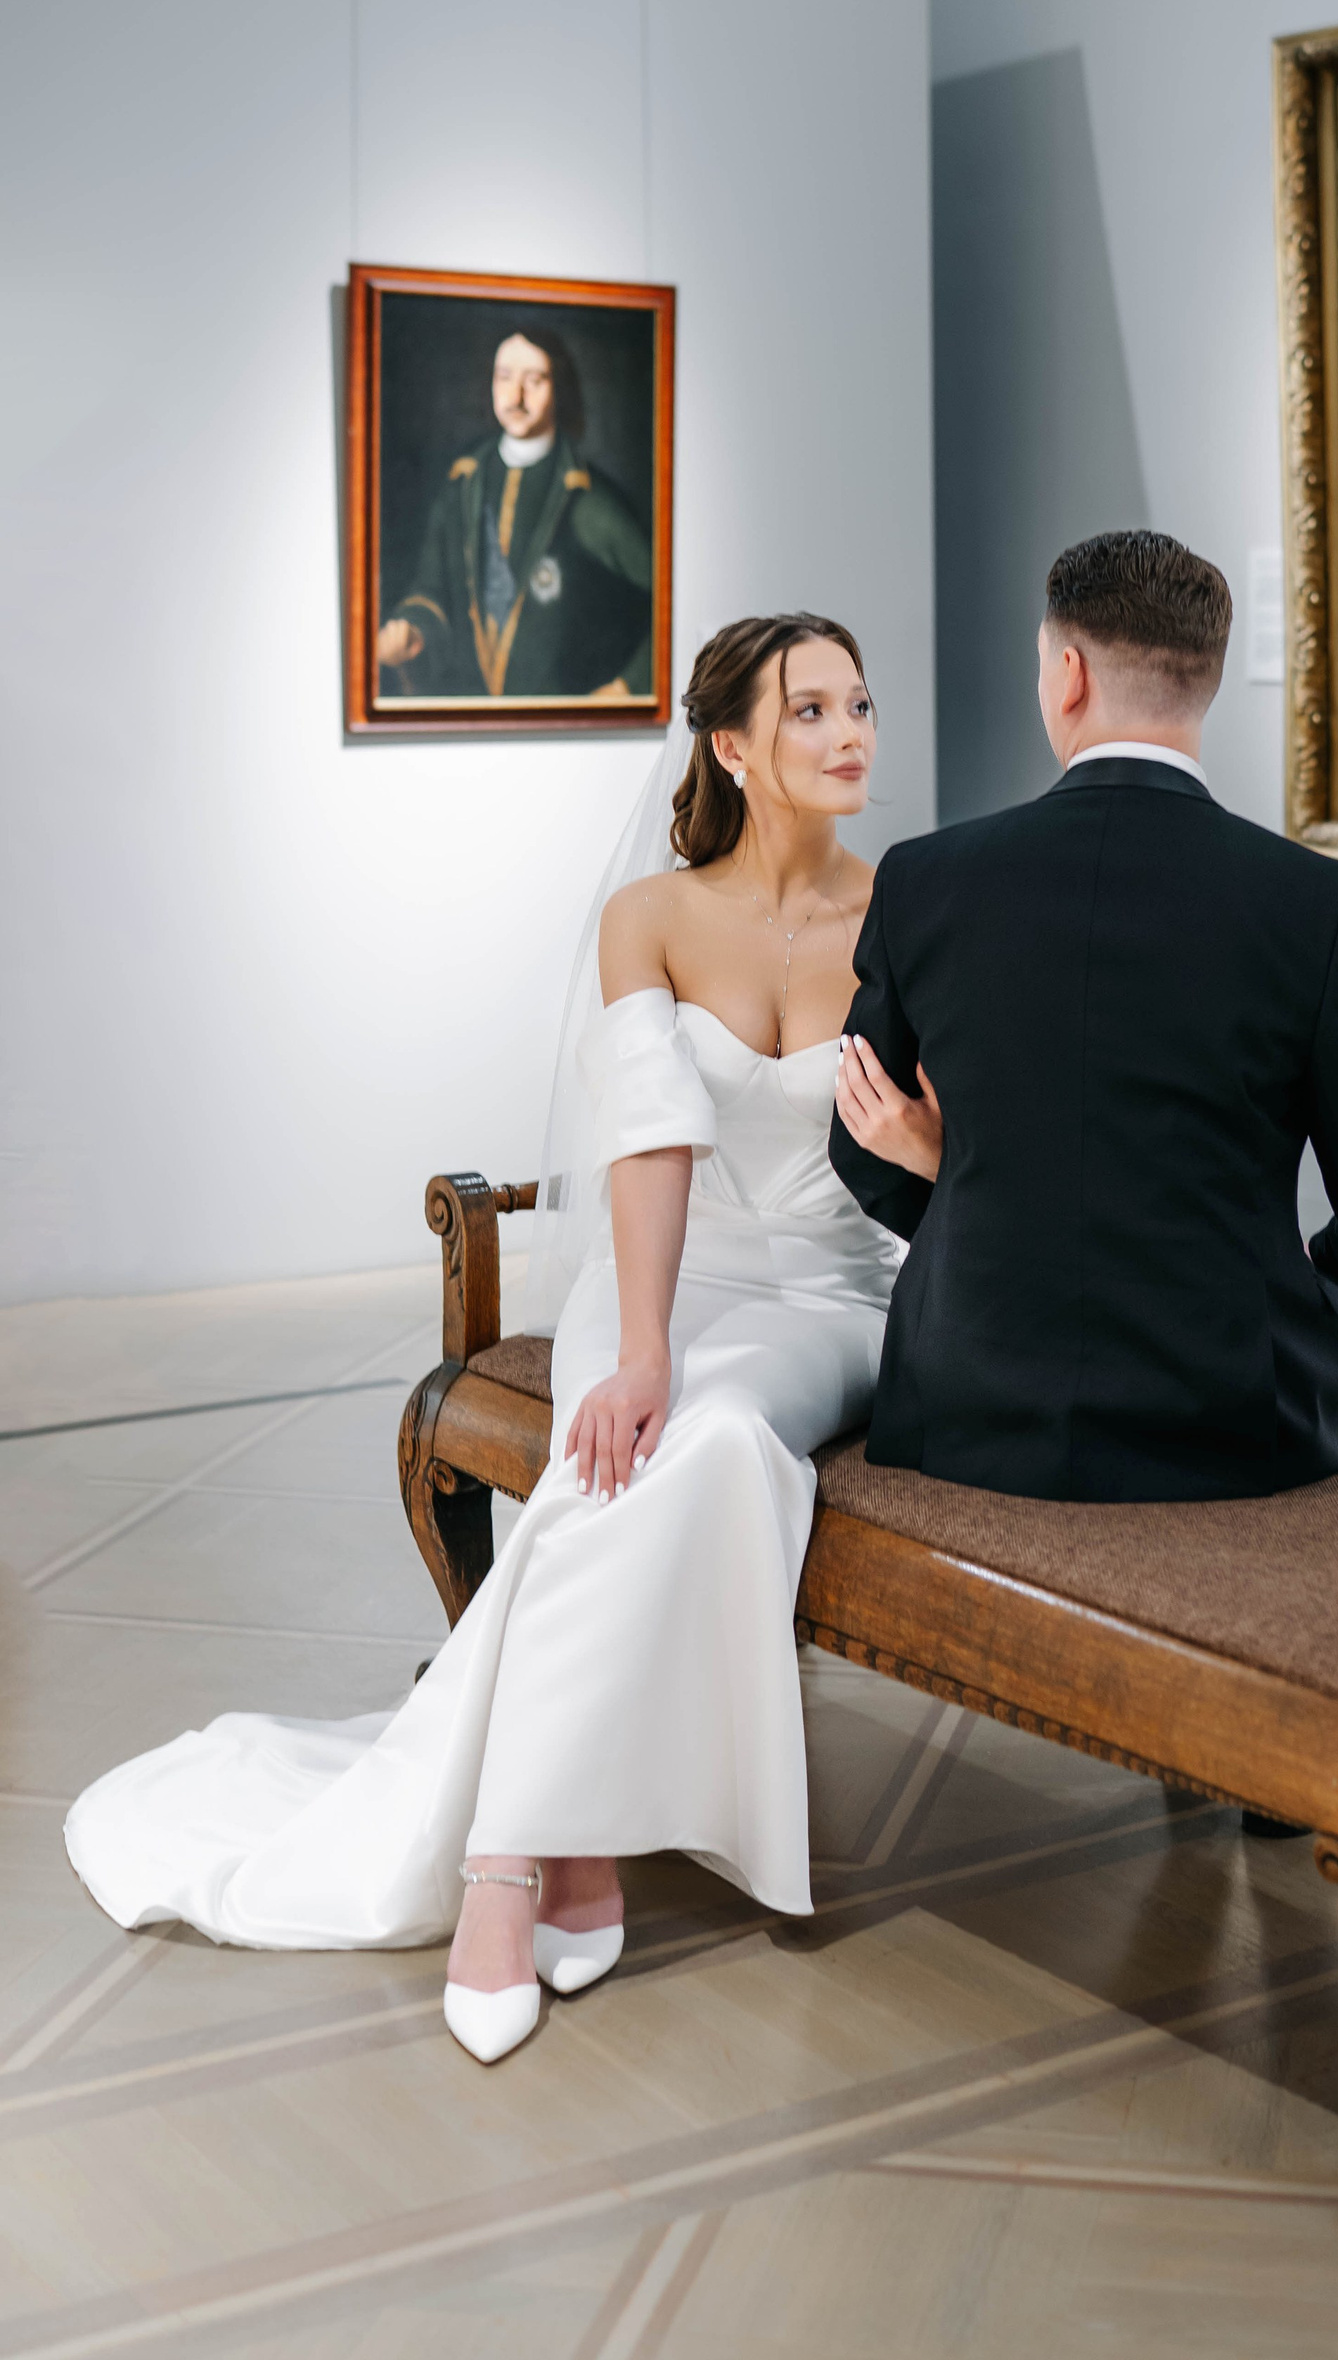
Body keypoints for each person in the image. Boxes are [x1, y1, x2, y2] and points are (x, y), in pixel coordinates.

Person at [65, 616, 900, 2064]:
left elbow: (955, 1137)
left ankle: (511, 1849)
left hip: (836, 1293)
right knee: (620, 1442)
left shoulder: (909, 912)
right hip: (667, 1271)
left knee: (711, 1438)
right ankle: (561, 1843)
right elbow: (651, 1139)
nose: (851, 733)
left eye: (861, 704)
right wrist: (641, 1346)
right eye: (811, 708)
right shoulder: (648, 914)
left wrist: (931, 1151)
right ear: (730, 745)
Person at [830, 529, 1338, 1501]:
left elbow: (861, 1139)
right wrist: (1313, 1273)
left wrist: (990, 1210)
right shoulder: (1311, 900)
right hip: (1226, 1407)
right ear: (1205, 679)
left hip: (965, 1391)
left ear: (1068, 675)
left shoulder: (925, 880)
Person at [377, 323, 655, 703]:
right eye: (505, 377)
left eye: (534, 381)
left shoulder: (585, 497)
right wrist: (412, 629)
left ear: (560, 389)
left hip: (564, 717)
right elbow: (432, 587)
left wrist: (627, 687)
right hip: (470, 713)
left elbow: (666, 599)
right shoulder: (463, 483)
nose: (516, 396)